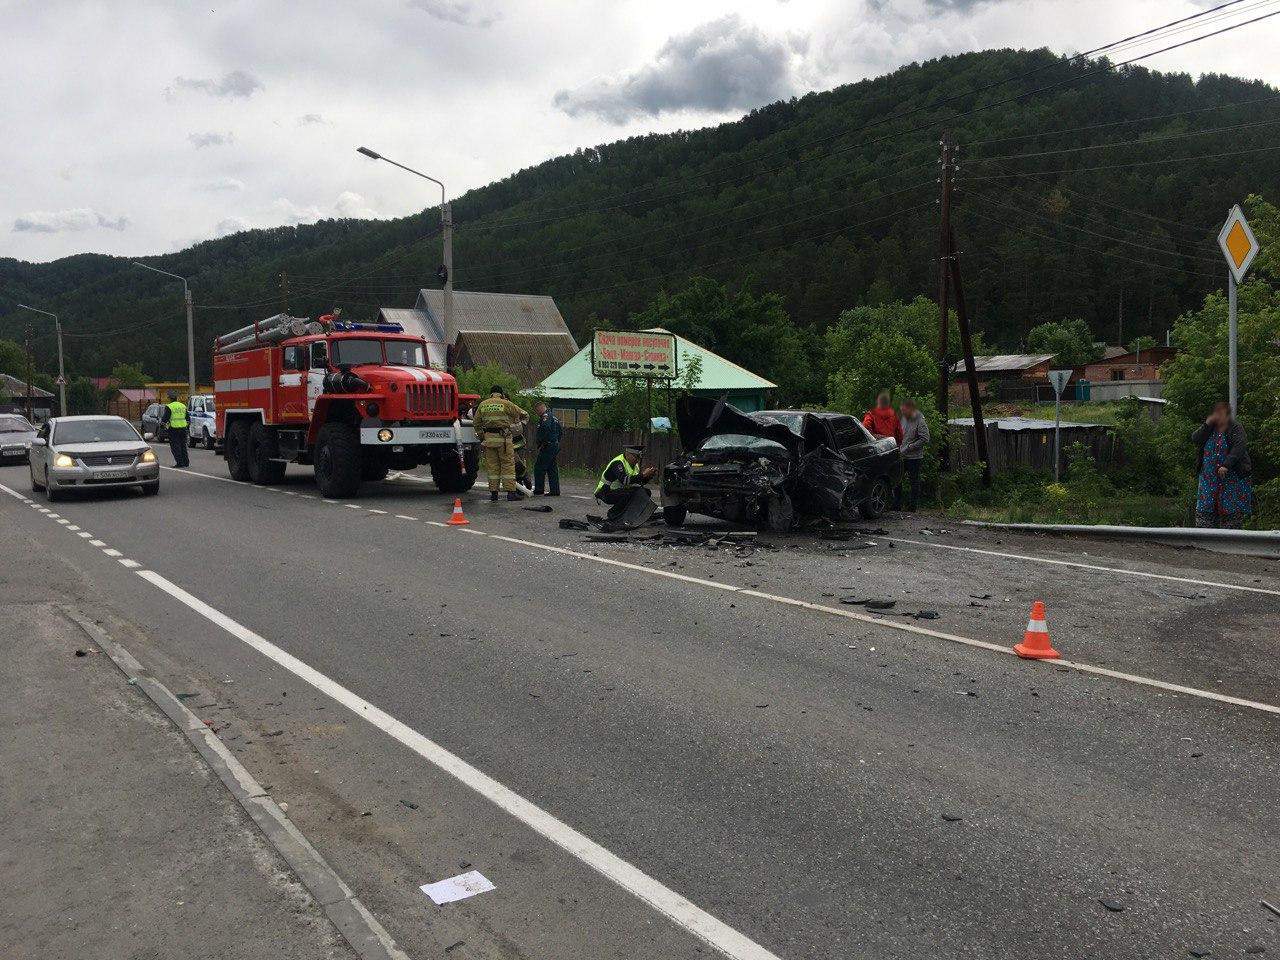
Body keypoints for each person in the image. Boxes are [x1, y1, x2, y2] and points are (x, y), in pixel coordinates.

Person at [1191, 401, 1253, 528]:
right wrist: (1206, 424)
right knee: (1204, 516)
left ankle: (1230, 543)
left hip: (1231, 480)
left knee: (1231, 517)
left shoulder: (1236, 428)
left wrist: (1226, 464)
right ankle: (1204, 542)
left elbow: (1239, 447)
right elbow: (1195, 438)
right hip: (1209, 481)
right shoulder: (1209, 428)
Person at [472, 385, 528, 501]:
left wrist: (483, 437)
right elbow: (524, 414)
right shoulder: (505, 404)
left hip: (489, 441)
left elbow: (476, 423)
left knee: (493, 468)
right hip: (504, 441)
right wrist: (518, 425)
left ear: (491, 393)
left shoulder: (483, 405)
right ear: (501, 394)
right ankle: (511, 494)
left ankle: (494, 494)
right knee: (508, 466)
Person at [595, 444, 656, 523]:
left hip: (619, 490)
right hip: (604, 492)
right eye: (636, 457)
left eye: (639, 457)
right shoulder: (618, 463)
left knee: (645, 492)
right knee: (627, 494)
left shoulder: (634, 465)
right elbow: (624, 480)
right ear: (628, 454)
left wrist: (648, 476)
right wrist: (643, 474)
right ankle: (612, 515)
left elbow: (637, 482)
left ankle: (632, 515)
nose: (638, 460)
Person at [894, 398, 930, 511]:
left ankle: (912, 506)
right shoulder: (901, 417)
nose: (903, 412)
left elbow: (925, 438)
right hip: (901, 454)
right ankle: (897, 504)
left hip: (914, 457)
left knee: (913, 481)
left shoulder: (919, 419)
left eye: (904, 410)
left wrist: (911, 447)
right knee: (897, 479)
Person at [532, 402, 562, 497]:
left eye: (537, 410)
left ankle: (539, 490)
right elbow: (560, 431)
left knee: (539, 467)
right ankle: (555, 490)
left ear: (540, 408)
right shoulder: (554, 417)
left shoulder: (545, 417)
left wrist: (541, 441)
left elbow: (545, 428)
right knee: (552, 468)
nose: (537, 413)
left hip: (548, 446)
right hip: (554, 445)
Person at [160, 391, 189, 468]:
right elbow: (188, 418)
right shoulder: (183, 406)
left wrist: (162, 426)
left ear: (170, 398)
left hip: (173, 429)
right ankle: (186, 462)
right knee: (183, 446)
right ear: (176, 398)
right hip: (183, 429)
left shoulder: (169, 406)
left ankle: (180, 463)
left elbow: (165, 419)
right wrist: (186, 427)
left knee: (175, 447)